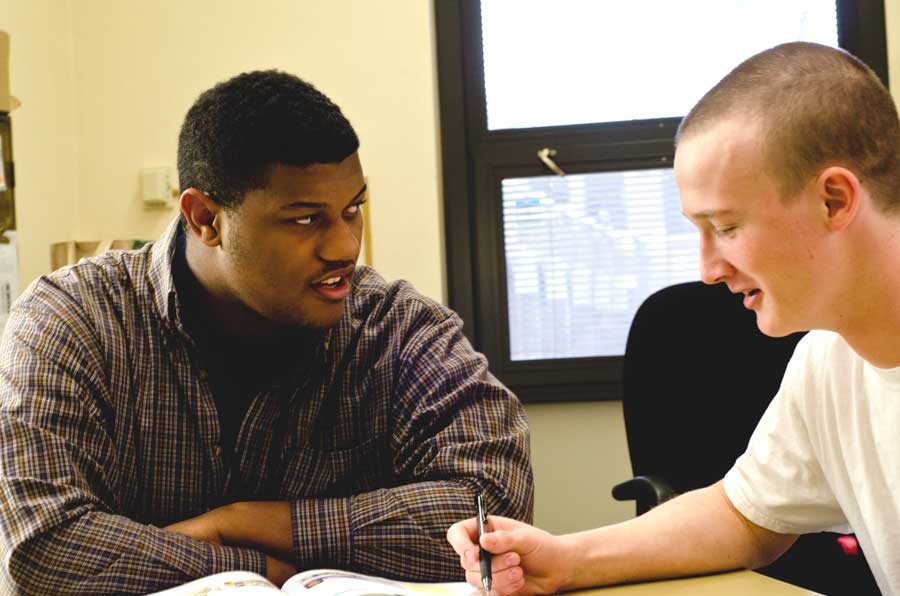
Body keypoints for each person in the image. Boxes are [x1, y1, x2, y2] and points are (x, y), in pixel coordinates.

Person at [0, 70, 533, 595]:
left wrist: (245, 522)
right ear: (205, 217)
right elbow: (40, 545)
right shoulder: (72, 319)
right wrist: (260, 569)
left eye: (353, 210)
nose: (345, 246)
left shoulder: (397, 325)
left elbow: (494, 503)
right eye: (305, 219)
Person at [448, 41, 900, 596]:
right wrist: (564, 559)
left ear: (833, 200)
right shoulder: (827, 358)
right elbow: (744, 515)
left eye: (728, 227)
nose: (709, 270)